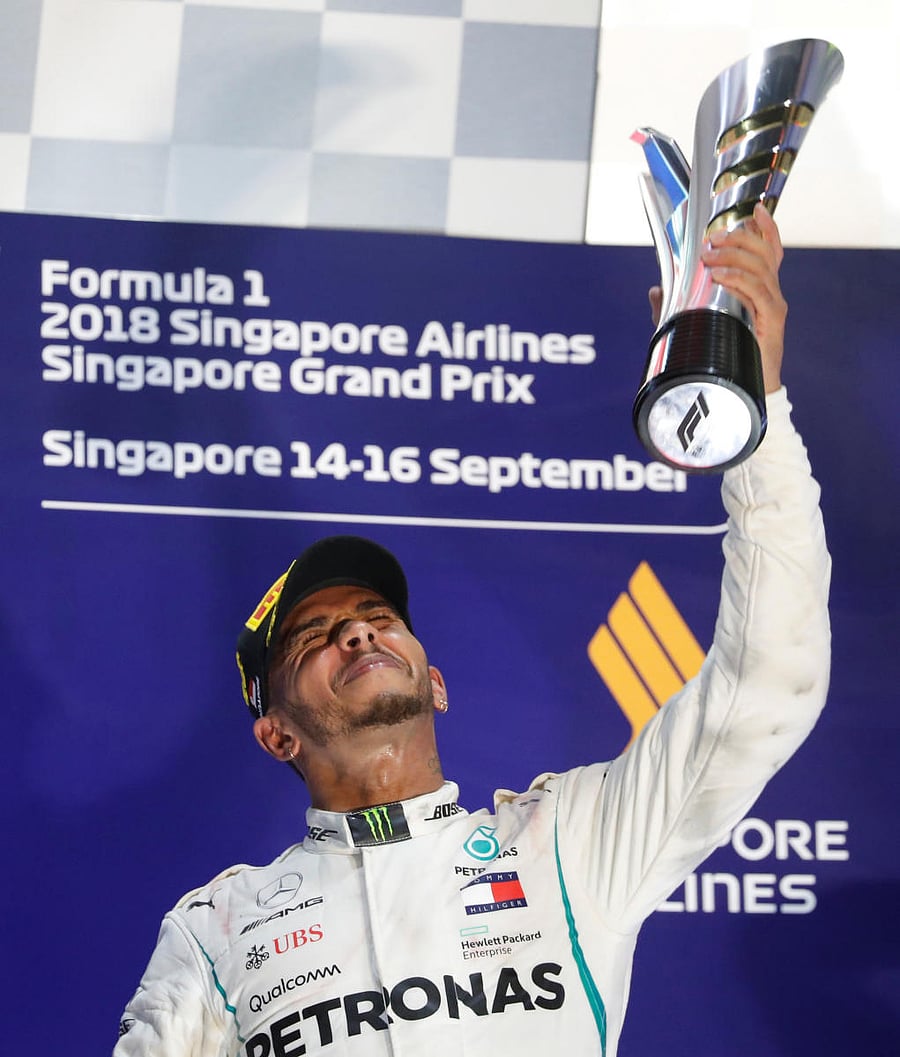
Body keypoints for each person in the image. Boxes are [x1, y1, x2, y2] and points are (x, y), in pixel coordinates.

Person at [114, 205, 831, 1056]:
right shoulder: (217, 932)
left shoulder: (570, 844)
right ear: (274, 733)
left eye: (378, 618)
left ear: (436, 680)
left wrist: (754, 414)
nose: (356, 634)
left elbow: (767, 679)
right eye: (312, 638)